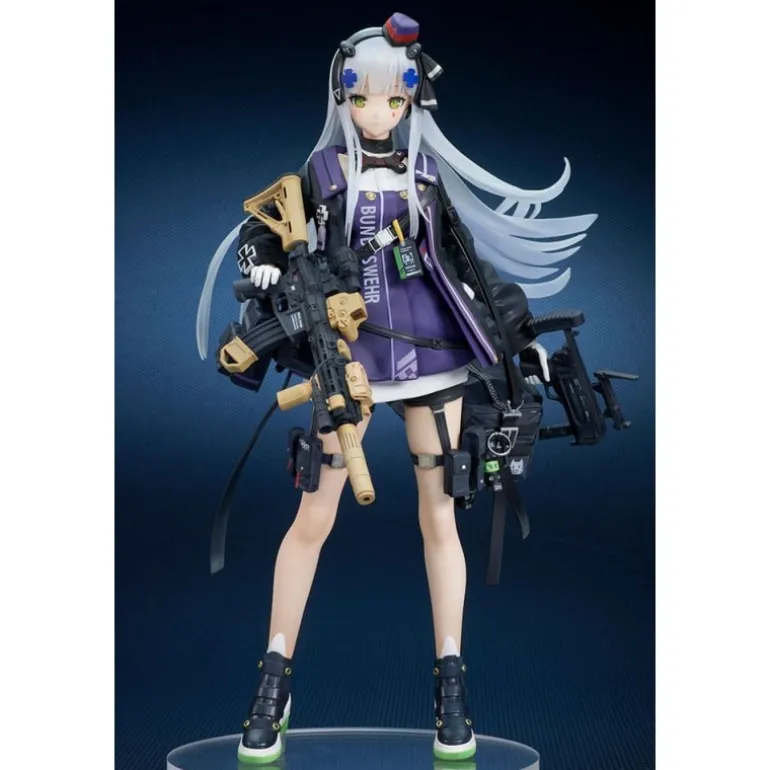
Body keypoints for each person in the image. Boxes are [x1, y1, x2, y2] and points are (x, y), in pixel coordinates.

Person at [196, 12, 596, 764]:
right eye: (361, 98)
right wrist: (265, 266)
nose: (377, 113)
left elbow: (464, 266)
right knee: (314, 513)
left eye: (393, 99)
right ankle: (275, 676)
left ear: (413, 100)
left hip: (431, 354)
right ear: (342, 98)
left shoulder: (425, 177)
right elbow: (260, 233)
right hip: (345, 355)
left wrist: (517, 343)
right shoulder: (320, 177)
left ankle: (452, 679)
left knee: (440, 516)